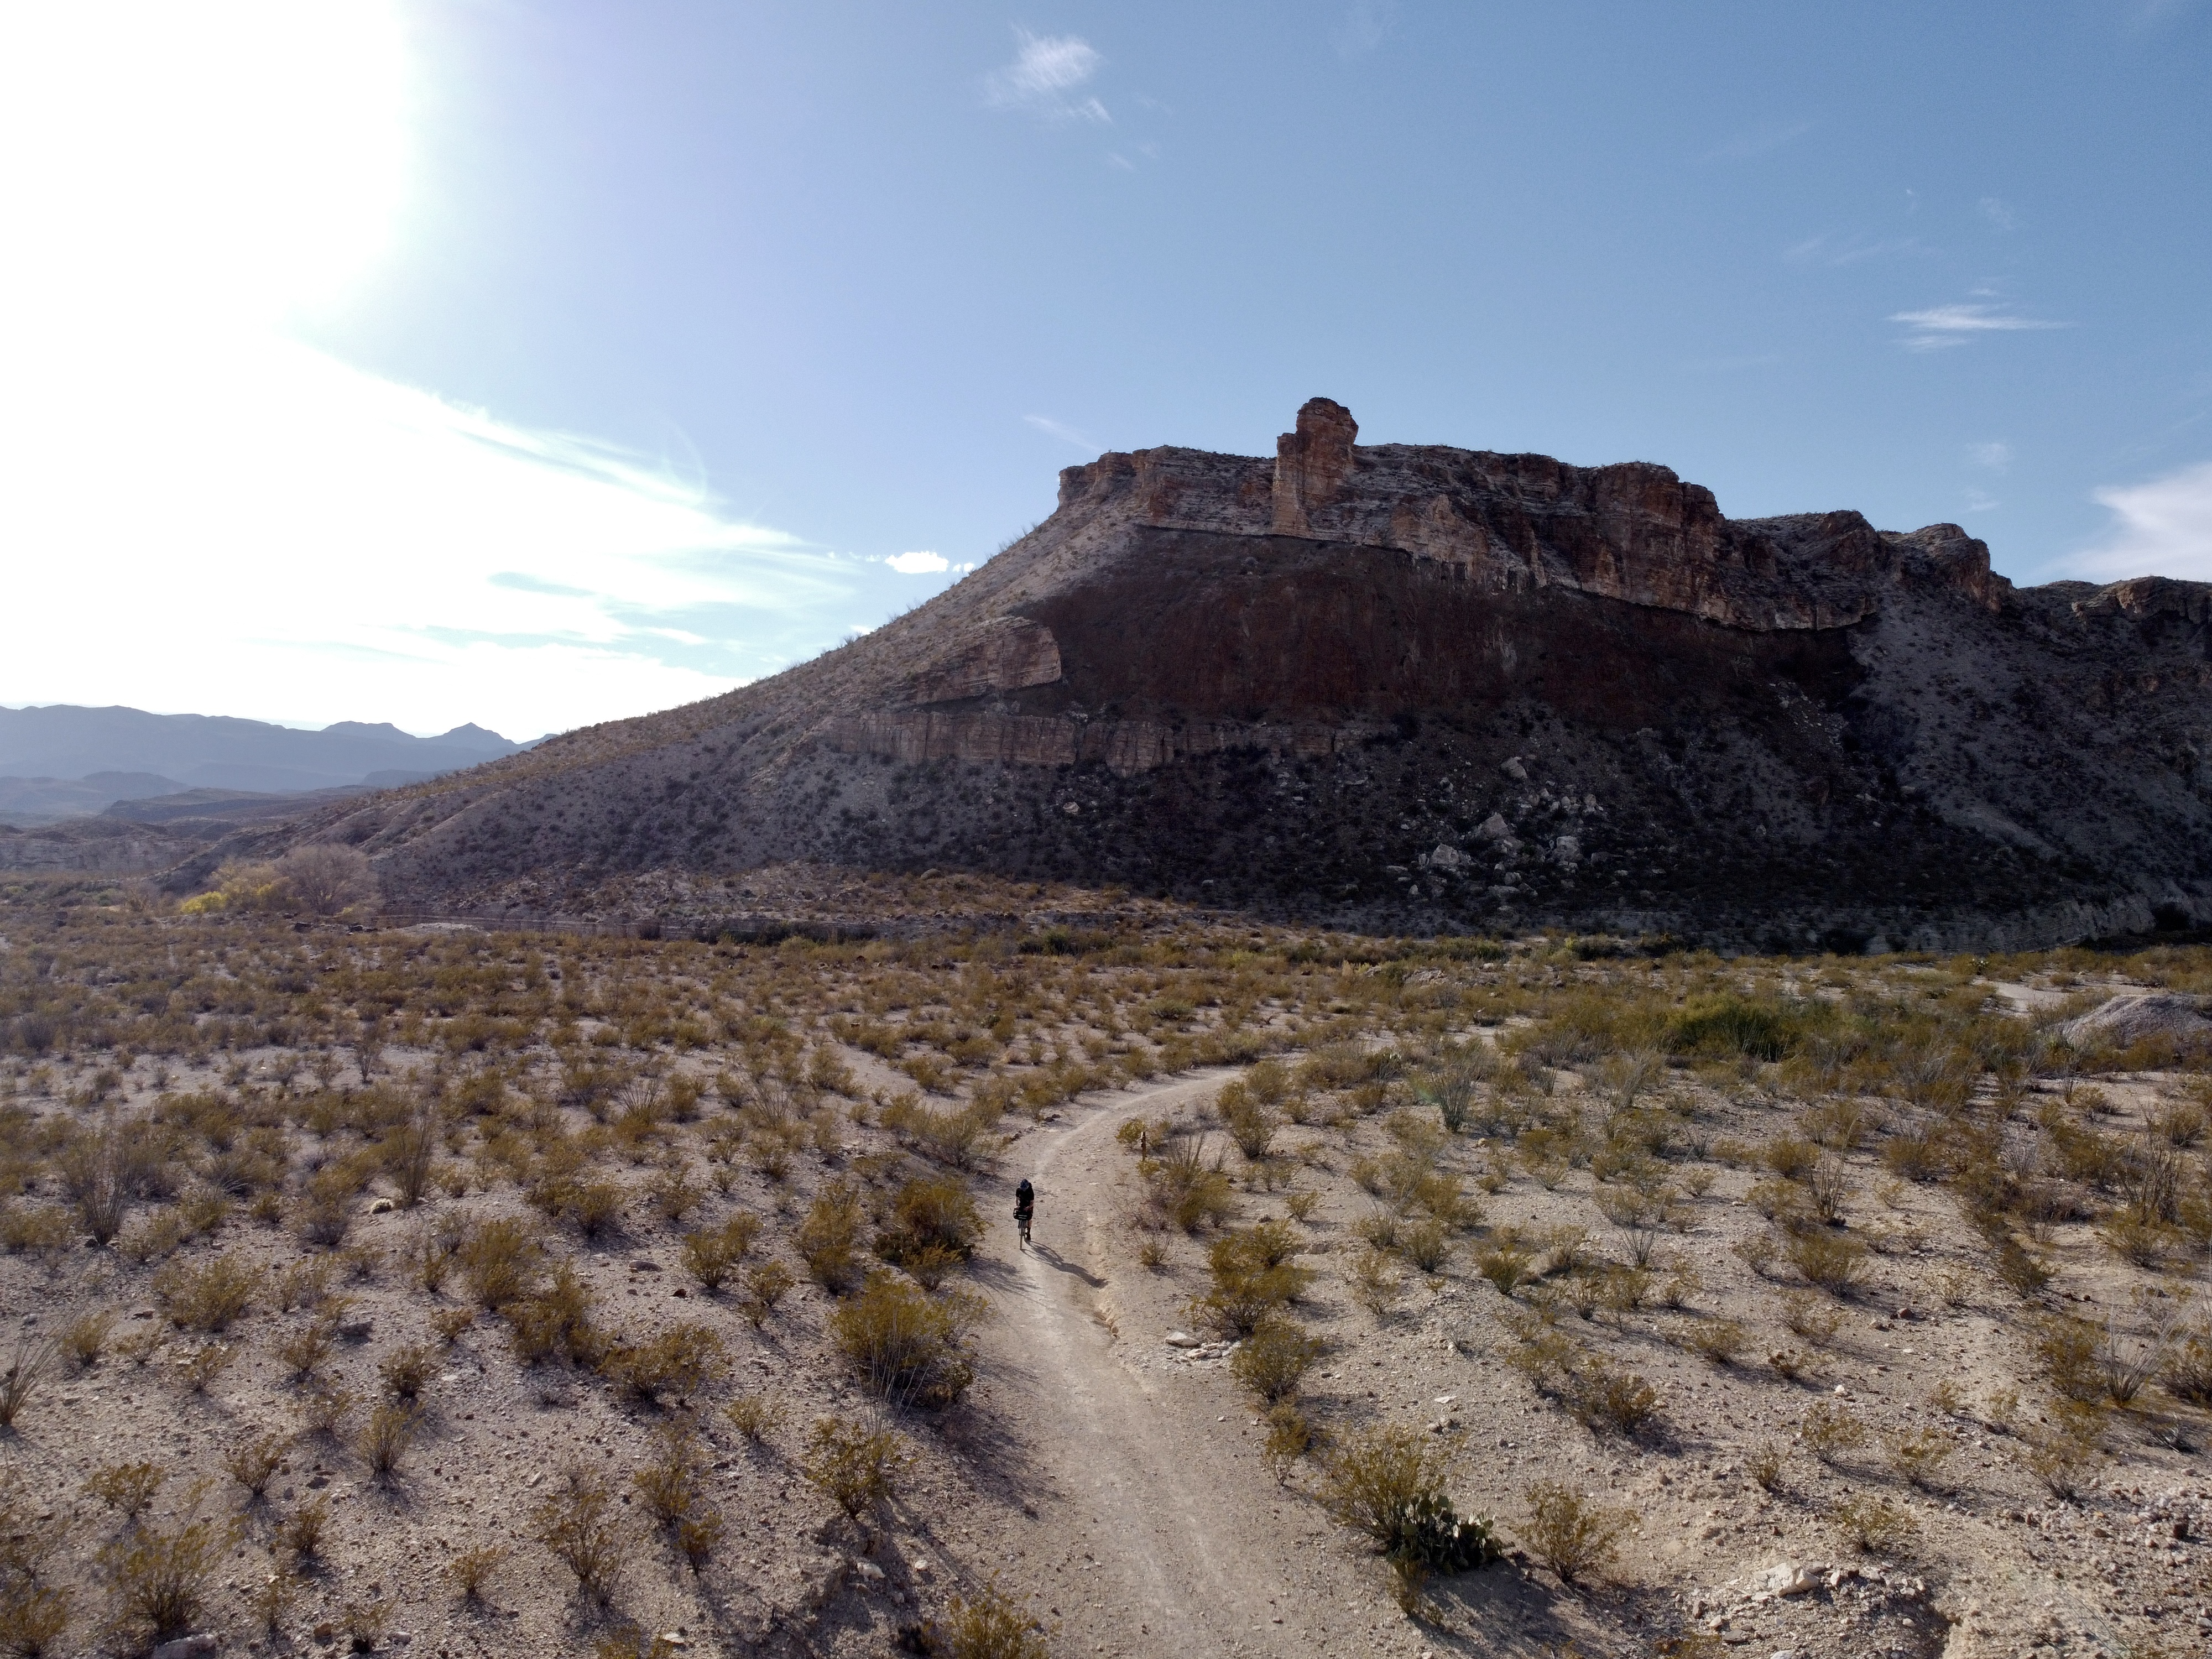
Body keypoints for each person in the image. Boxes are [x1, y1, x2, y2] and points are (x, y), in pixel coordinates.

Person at [1014, 1178, 1035, 1249]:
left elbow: (1032, 1203)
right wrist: (1017, 1206)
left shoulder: (1031, 1191)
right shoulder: (1019, 1190)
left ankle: (1028, 1231)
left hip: (1029, 1205)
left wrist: (1028, 1208)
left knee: (1029, 1218)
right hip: (1022, 1203)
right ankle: (1021, 1224)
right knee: (1019, 1213)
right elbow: (1017, 1199)